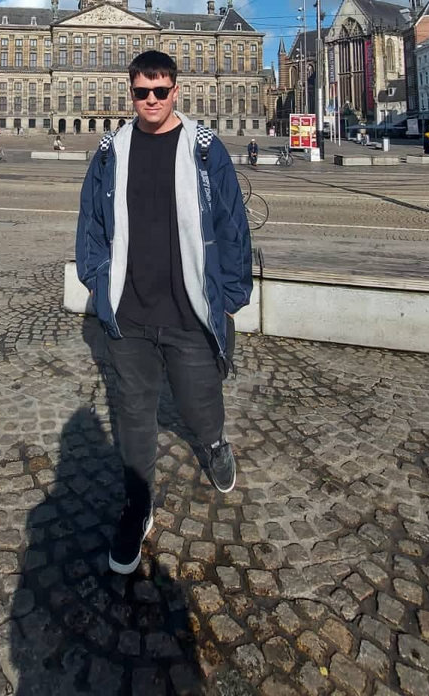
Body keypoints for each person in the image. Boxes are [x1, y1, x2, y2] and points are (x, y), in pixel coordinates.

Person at [77, 50, 252, 575]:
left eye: (160, 91)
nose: (150, 100)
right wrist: (99, 282)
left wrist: (230, 296)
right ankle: (138, 505)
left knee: (199, 402)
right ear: (130, 93)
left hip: (188, 310)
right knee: (133, 413)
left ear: (176, 91)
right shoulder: (110, 151)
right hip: (129, 312)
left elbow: (231, 223)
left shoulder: (204, 149)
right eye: (141, 92)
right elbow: (90, 224)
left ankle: (214, 442)